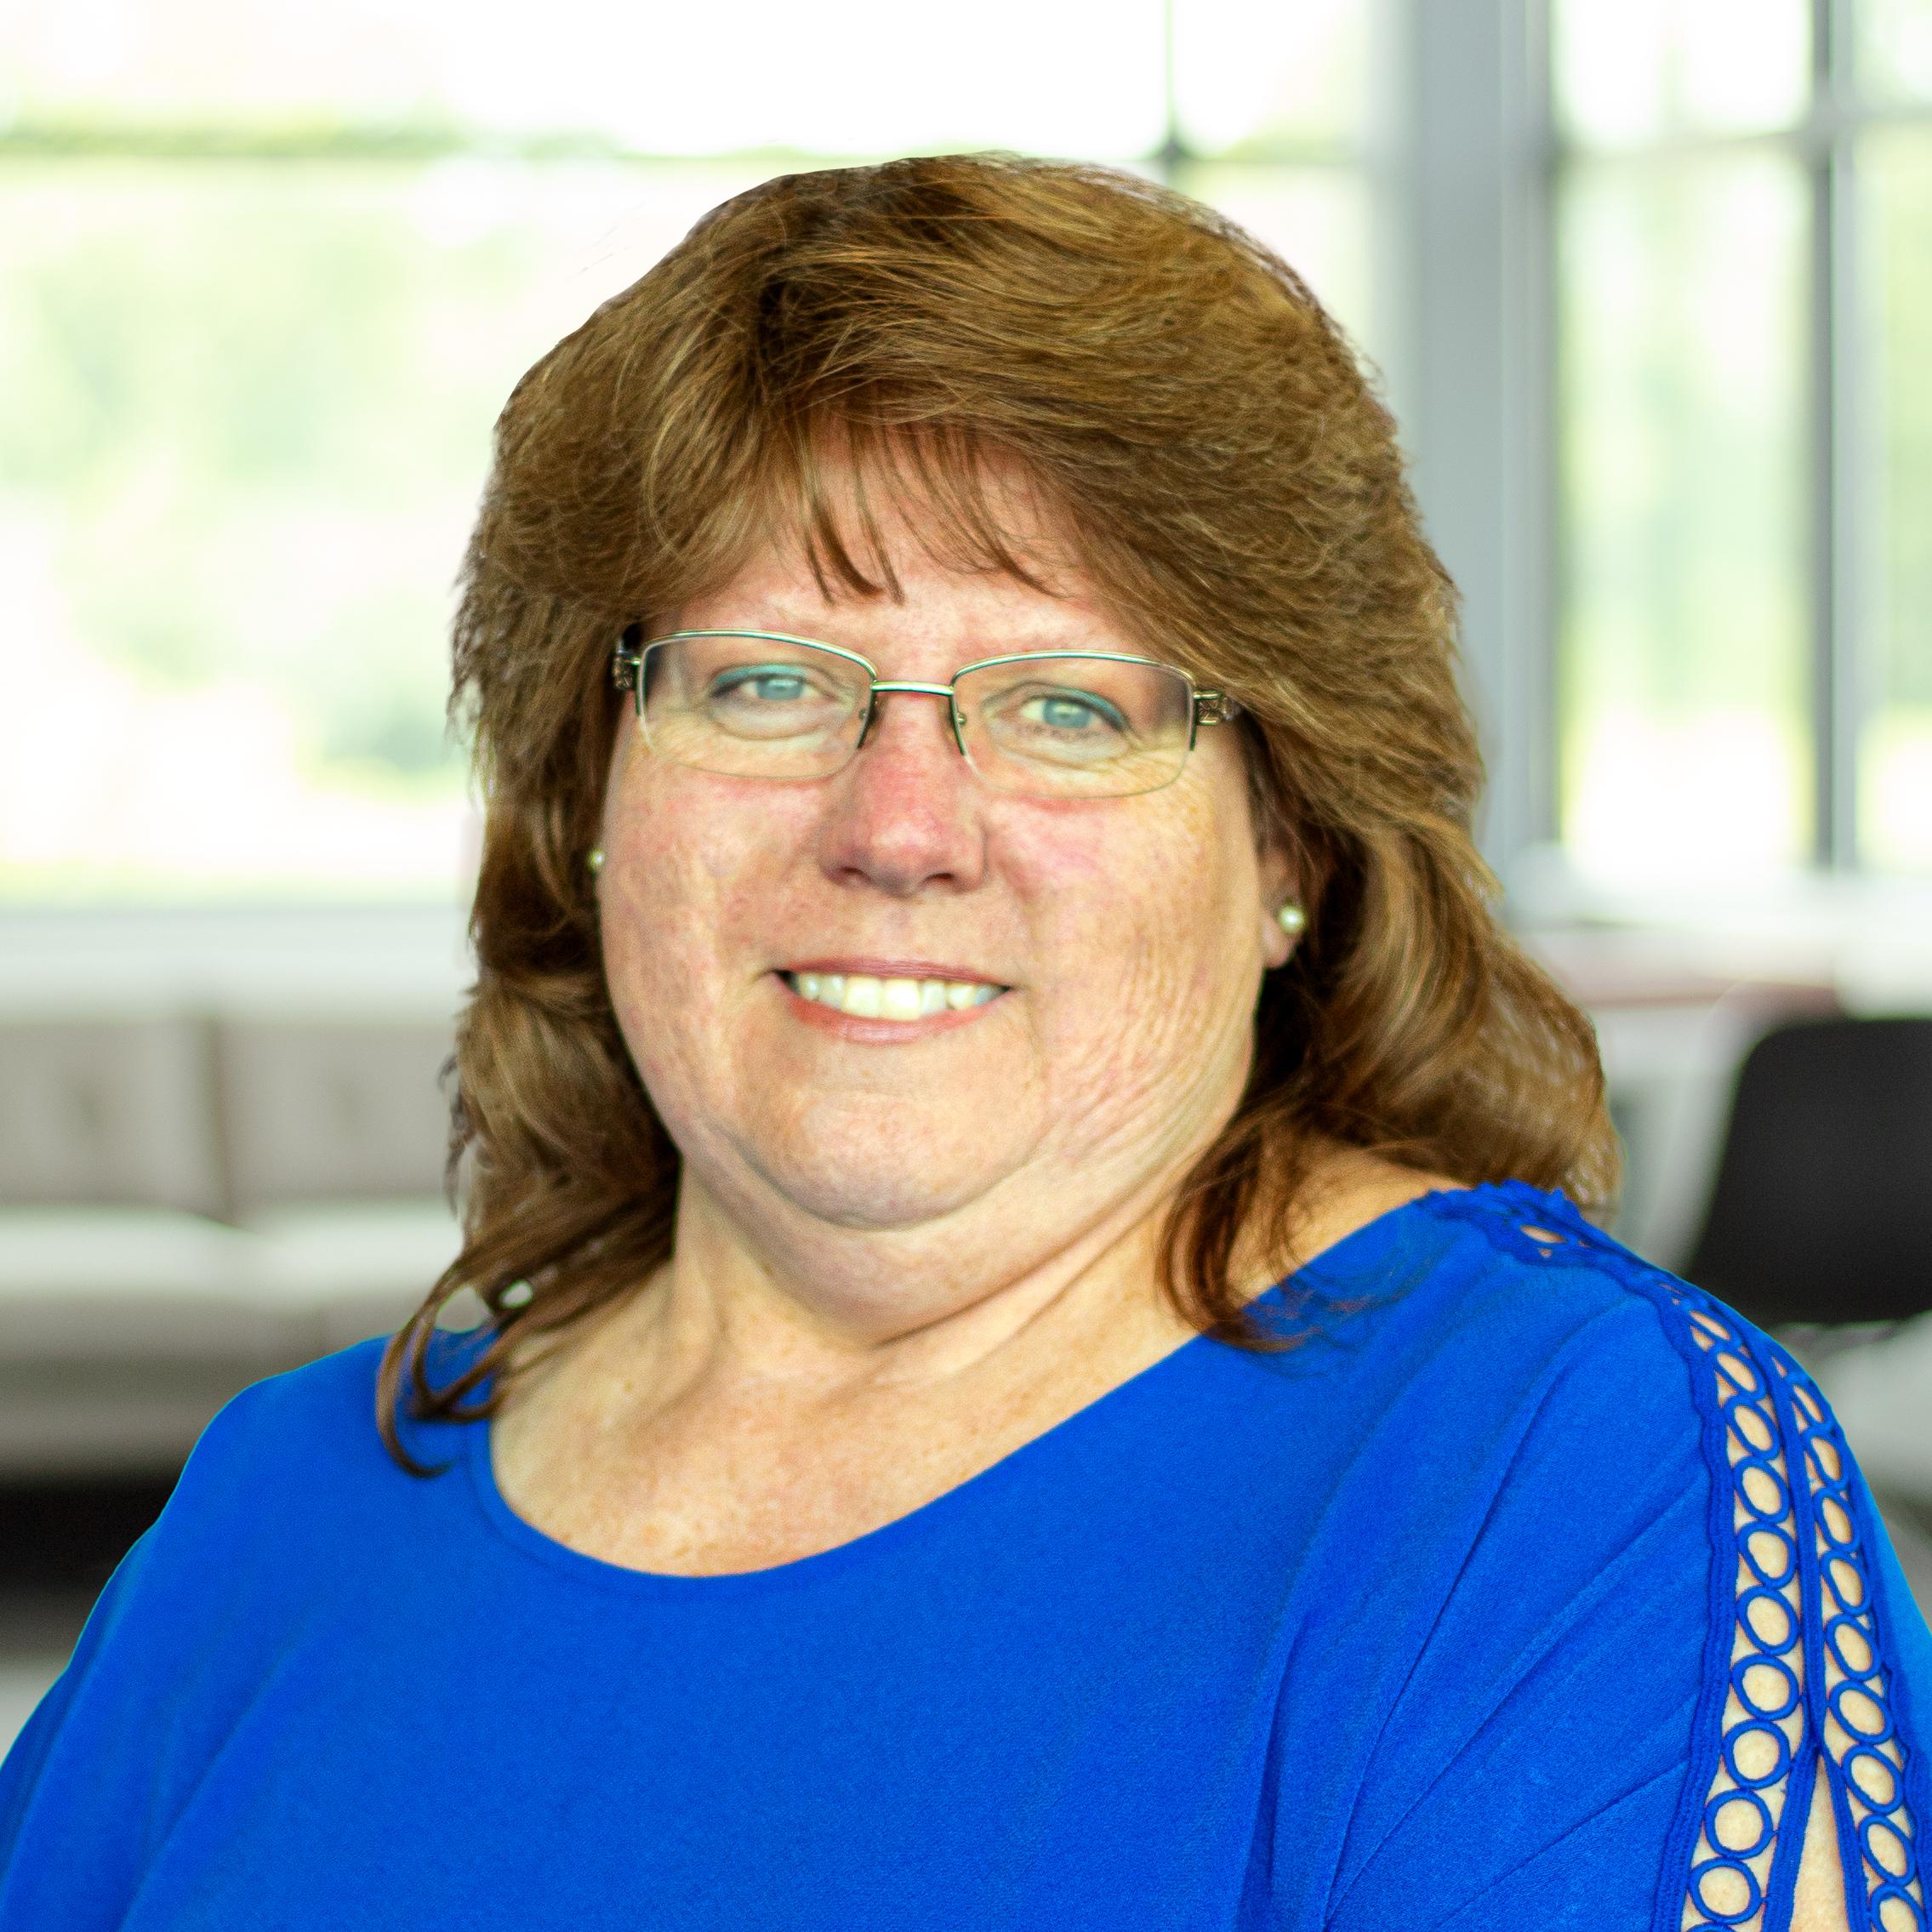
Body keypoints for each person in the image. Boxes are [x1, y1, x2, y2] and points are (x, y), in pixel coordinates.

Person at [2, 153, 1925, 1932]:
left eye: (1065, 708)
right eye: (762, 681)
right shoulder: (300, 1490)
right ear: (587, 792)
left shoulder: (1561, 1470)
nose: (898, 825)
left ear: (1288, 838)